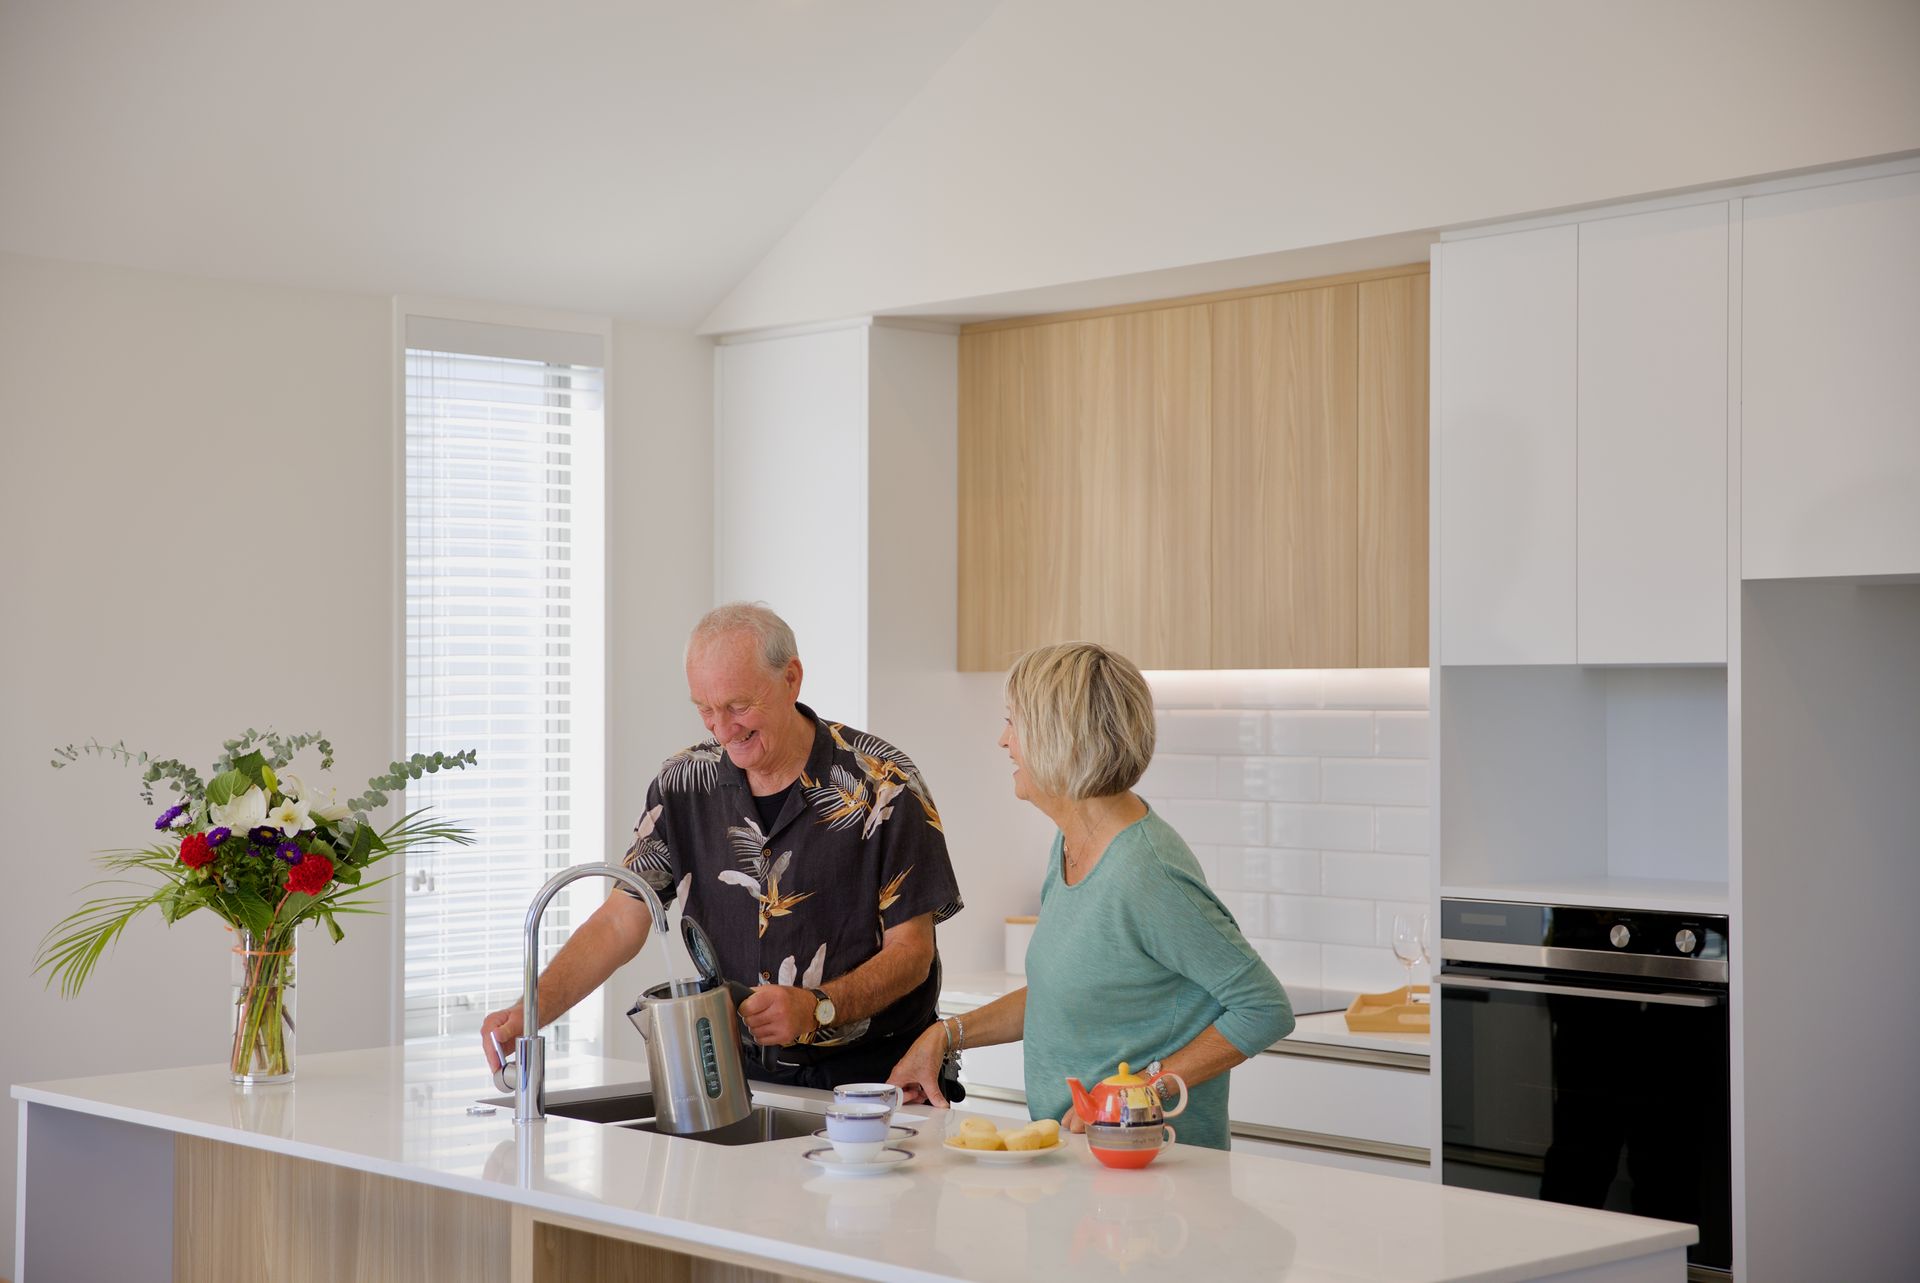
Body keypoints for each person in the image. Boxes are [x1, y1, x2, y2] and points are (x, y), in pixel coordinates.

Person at [482, 602, 965, 1090]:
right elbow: (618, 922)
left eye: (738, 706)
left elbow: (912, 952)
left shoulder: (883, 783)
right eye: (705, 709)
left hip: (882, 1082)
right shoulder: (683, 786)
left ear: (791, 679)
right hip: (739, 1078)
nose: (722, 728)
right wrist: (530, 1012)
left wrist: (820, 1005)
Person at [887, 641, 1292, 1150]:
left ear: (1060, 739)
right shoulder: (1073, 843)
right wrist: (944, 1036)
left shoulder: (1145, 873)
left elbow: (1264, 1007)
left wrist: (1146, 1090)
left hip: (1152, 1169)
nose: (1003, 741)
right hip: (1082, 1163)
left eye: (1014, 723)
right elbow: (1064, 995)